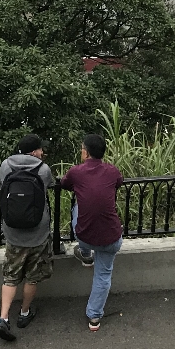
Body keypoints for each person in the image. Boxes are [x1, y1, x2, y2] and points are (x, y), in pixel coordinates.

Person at [0, 134, 55, 341]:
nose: (42, 153)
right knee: (32, 277)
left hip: (13, 232)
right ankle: (24, 312)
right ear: (35, 151)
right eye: (40, 150)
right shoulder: (43, 169)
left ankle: (3, 318)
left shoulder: (6, 165)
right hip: (38, 232)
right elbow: (48, 186)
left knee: (10, 277)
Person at [60, 133, 124, 331]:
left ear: (86, 153)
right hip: (111, 237)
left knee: (78, 208)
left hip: (85, 237)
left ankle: (86, 255)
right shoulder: (112, 171)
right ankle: (94, 317)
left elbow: (64, 184)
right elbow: (119, 182)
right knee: (103, 276)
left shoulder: (76, 172)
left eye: (82, 149)